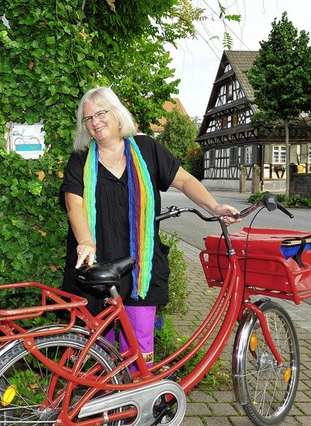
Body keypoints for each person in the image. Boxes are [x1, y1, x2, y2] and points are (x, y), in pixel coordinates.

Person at [60, 86, 239, 370]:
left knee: (139, 340)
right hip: (96, 264)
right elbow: (74, 204)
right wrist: (86, 242)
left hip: (140, 264)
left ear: (116, 113)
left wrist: (214, 207)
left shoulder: (146, 149)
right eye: (88, 119)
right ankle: (102, 404)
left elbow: (184, 181)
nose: (95, 122)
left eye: (100, 113)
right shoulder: (80, 160)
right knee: (97, 344)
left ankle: (135, 402)